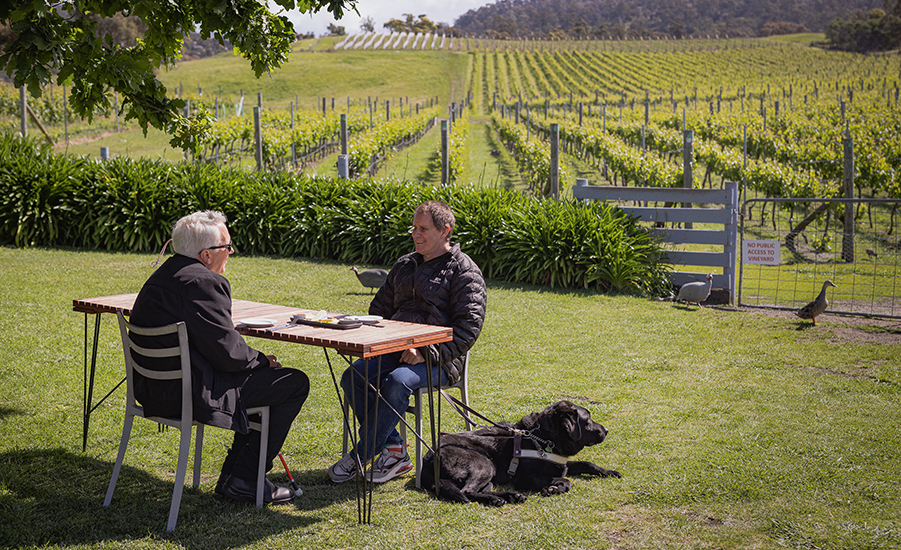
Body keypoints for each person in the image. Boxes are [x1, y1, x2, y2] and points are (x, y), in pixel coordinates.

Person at [129, 210, 310, 504]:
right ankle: (245, 479)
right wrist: (264, 360)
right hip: (186, 393)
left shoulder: (161, 275)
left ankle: (236, 477)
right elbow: (229, 354)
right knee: (293, 383)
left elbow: (217, 345)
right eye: (226, 246)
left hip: (153, 389)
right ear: (205, 255)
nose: (230, 252)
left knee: (265, 384)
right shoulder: (204, 282)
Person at [328, 200, 487, 484]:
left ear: (444, 230)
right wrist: (359, 340)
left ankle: (360, 455)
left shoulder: (464, 271)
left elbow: (468, 329)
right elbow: (378, 313)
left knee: (398, 381)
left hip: (442, 359)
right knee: (354, 376)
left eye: (423, 229)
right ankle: (395, 450)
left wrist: (427, 352)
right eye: (414, 228)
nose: (415, 234)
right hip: (394, 350)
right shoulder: (404, 264)